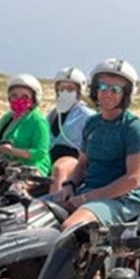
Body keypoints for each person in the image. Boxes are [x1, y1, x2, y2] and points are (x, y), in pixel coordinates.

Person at [54, 58, 140, 229]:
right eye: (103, 87)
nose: (108, 93)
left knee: (70, 227)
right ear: (95, 89)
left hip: (120, 200)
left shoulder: (133, 127)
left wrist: (86, 198)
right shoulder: (92, 123)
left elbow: (132, 180)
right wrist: (69, 185)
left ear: (126, 94)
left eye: (116, 89)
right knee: (35, 214)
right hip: (87, 191)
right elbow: (83, 163)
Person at [46, 66, 95, 195]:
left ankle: (55, 203)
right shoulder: (53, 113)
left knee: (59, 168)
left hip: (75, 157)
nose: (65, 92)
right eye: (61, 89)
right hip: (50, 154)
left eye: (70, 89)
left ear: (79, 91)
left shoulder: (88, 115)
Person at [0, 73, 51, 176]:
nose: (19, 100)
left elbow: (40, 153)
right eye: (14, 95)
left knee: (16, 188)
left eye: (25, 97)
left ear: (33, 100)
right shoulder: (7, 118)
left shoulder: (38, 121)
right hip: (6, 164)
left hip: (32, 168)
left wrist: (12, 151)